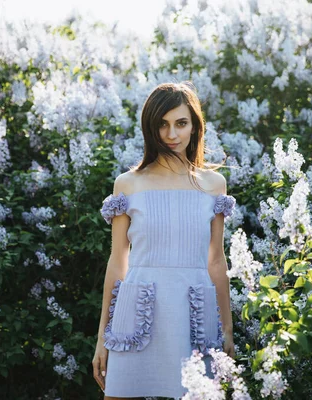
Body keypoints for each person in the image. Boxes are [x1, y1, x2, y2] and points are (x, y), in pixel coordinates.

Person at [92, 81, 236, 399]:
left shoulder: (214, 185)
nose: (172, 135)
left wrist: (227, 329)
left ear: (194, 126)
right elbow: (118, 261)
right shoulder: (127, 184)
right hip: (135, 316)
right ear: (150, 128)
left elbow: (216, 260)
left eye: (181, 123)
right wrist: (102, 336)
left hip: (193, 318)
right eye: (163, 124)